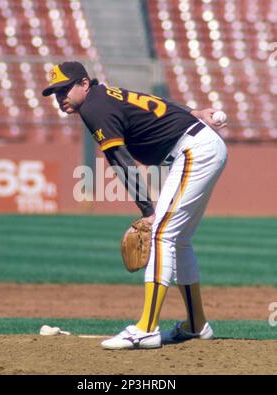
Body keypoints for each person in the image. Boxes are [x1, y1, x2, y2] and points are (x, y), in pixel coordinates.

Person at [42, 61, 228, 350]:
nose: (60, 96)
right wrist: (192, 112)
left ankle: (146, 329)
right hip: (199, 145)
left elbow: (120, 160)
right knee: (178, 240)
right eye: (55, 91)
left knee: (162, 234)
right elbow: (154, 102)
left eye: (65, 88)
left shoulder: (93, 107)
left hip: (194, 150)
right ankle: (195, 325)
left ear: (84, 84)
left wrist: (148, 211)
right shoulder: (105, 96)